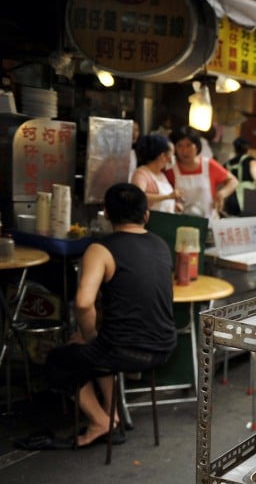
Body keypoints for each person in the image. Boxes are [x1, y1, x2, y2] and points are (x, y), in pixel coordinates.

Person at [43, 183, 176, 448]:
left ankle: (98, 420)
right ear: (146, 214)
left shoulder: (100, 249)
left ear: (106, 213)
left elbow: (82, 303)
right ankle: (112, 416)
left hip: (124, 350)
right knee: (101, 346)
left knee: (58, 361)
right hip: (164, 346)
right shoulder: (160, 244)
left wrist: (90, 336)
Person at [166, 127, 238, 219]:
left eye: (189, 145)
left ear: (197, 146)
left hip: (209, 219)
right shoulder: (170, 169)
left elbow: (233, 181)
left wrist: (222, 194)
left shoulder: (208, 165)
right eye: (180, 145)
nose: (185, 151)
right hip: (181, 220)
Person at [130, 133, 181, 212]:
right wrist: (168, 196)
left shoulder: (162, 175)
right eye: (172, 154)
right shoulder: (141, 173)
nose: (173, 158)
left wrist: (174, 205)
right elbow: (138, 197)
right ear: (162, 156)